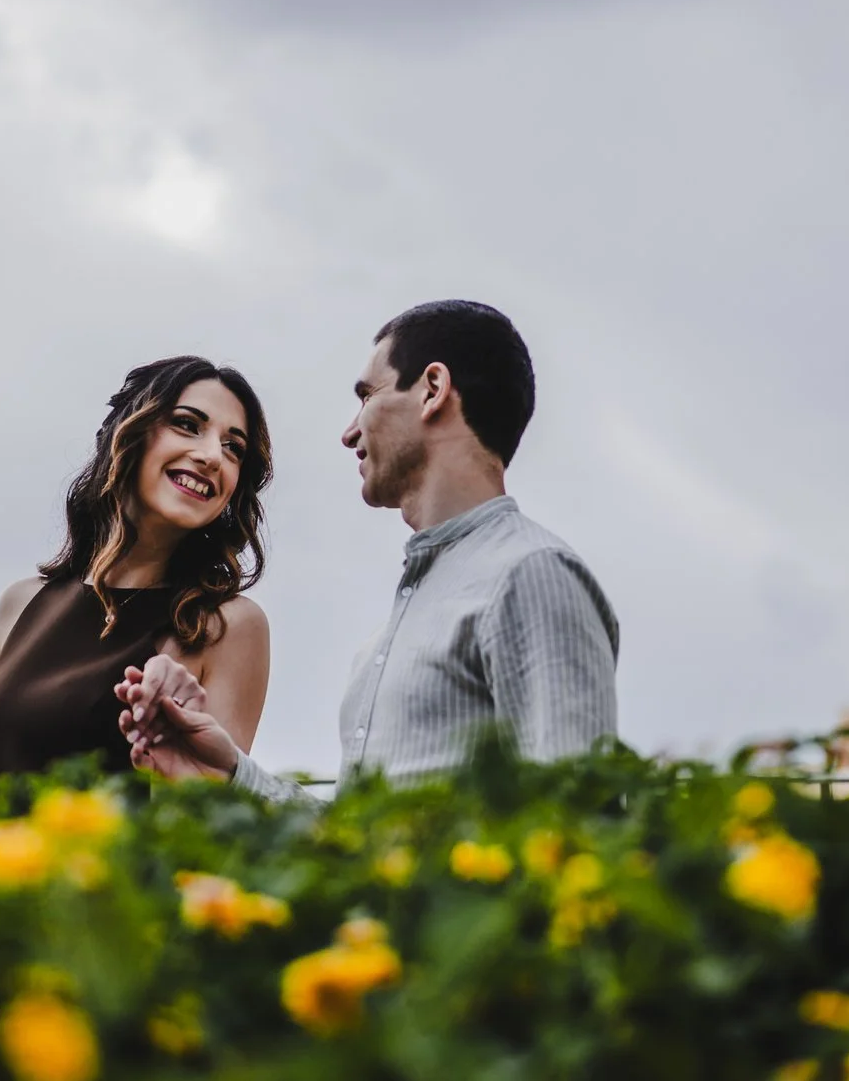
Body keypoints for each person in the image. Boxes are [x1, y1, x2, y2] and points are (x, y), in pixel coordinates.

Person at [115, 300, 616, 799]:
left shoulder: (532, 573)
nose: (350, 431)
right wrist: (229, 774)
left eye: (366, 396)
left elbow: (578, 819)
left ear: (432, 390)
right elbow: (355, 840)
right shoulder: (394, 628)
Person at [0, 355, 273, 810]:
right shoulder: (21, 602)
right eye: (186, 424)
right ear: (129, 433)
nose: (212, 456)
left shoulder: (229, 626)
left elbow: (204, 828)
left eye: (233, 448)